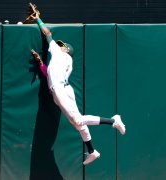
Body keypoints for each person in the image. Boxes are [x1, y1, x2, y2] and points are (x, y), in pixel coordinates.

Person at [29, 12, 126, 166]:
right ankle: (93, 151)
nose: (59, 46)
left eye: (62, 46)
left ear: (66, 50)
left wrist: (38, 19)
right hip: (63, 89)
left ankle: (114, 120)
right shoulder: (65, 60)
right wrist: (41, 62)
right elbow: (49, 73)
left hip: (60, 89)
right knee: (79, 124)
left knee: (78, 120)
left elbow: (47, 33)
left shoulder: (59, 54)